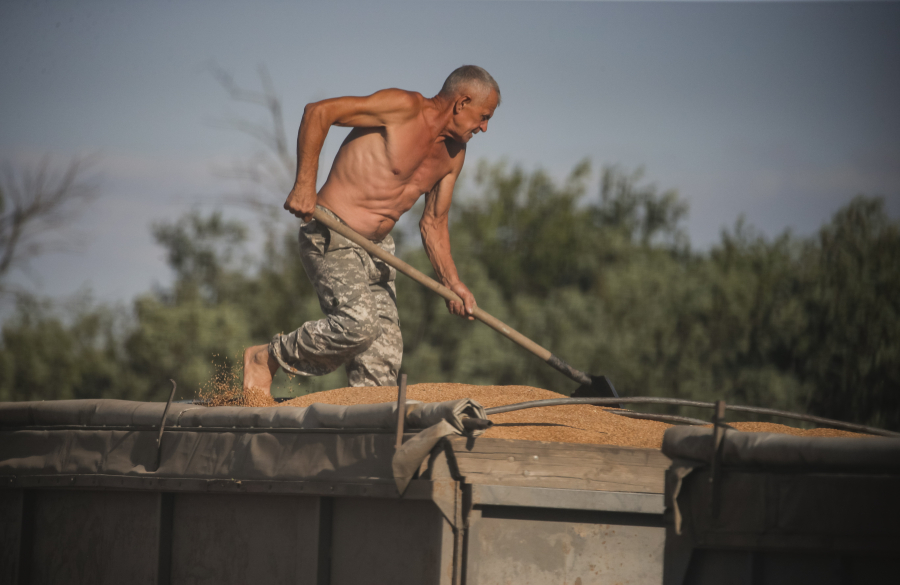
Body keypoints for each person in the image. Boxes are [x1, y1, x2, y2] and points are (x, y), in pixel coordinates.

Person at [242, 65, 500, 395]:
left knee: (382, 361)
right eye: (484, 116)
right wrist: (305, 184)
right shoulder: (404, 108)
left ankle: (364, 431)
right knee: (358, 326)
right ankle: (268, 357)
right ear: (462, 102)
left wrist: (453, 283)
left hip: (379, 253)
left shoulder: (454, 155)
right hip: (333, 235)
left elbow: (433, 223)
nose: (485, 127)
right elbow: (319, 112)